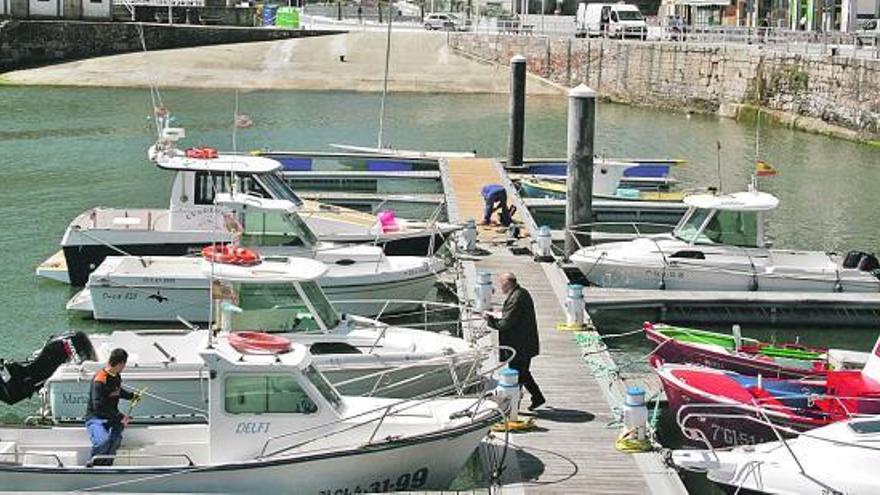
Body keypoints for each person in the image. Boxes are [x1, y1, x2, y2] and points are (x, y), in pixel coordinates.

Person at [485, 273, 546, 411]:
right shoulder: (521, 293)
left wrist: (489, 320)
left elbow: (506, 324)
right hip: (524, 342)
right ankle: (535, 398)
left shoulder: (516, 298)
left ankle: (513, 408)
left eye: (501, 284)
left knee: (517, 374)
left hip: (520, 344)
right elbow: (512, 315)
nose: (500, 287)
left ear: (507, 283)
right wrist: (501, 313)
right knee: (522, 373)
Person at [85, 348, 138, 466]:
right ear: (120, 364)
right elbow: (98, 406)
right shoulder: (100, 379)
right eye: (124, 364)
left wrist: (132, 396)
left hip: (112, 417)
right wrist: (120, 417)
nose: (124, 367)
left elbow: (117, 391)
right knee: (103, 442)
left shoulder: (116, 376)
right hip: (96, 418)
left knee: (115, 441)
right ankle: (92, 465)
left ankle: (107, 467)